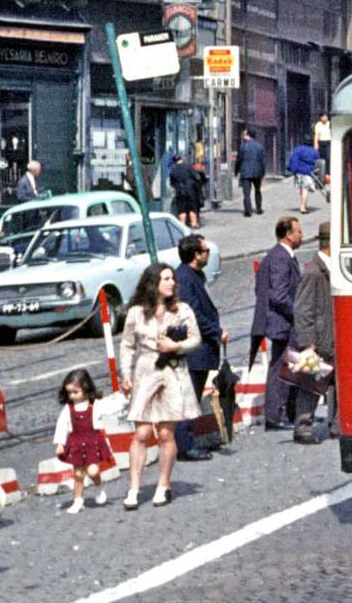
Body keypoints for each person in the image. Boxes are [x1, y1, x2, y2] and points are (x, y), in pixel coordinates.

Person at [118, 262, 202, 509]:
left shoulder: (182, 310)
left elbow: (196, 339)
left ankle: (163, 485)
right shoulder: (136, 313)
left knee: (166, 434)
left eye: (172, 278)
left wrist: (176, 346)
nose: (171, 283)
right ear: (153, 283)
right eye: (166, 279)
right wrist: (126, 375)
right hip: (145, 372)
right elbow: (127, 345)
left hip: (172, 372)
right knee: (142, 433)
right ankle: (134, 488)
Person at [173, 233, 227, 462]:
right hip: (194, 349)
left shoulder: (193, 275)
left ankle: (188, 440)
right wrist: (216, 331)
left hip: (199, 348)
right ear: (196, 255)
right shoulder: (185, 278)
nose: (208, 254)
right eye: (205, 251)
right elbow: (193, 314)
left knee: (193, 396)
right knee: (189, 397)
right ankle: (185, 445)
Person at [251, 216, 302, 431]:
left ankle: (287, 412)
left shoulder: (279, 255)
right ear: (288, 235)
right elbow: (279, 295)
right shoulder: (281, 258)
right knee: (280, 368)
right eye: (298, 231)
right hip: (283, 323)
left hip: (282, 322)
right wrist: (298, 312)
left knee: (286, 366)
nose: (301, 235)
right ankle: (275, 415)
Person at [292, 222, 337, 445]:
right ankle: (303, 427)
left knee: (336, 384)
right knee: (310, 386)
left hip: (330, 339)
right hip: (319, 341)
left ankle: (337, 425)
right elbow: (302, 309)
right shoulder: (313, 272)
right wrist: (307, 342)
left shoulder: (328, 268)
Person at [52, 369, 113, 513]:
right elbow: (61, 425)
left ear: (86, 389)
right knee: (78, 475)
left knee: (93, 471)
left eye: (75, 392)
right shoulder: (68, 408)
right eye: (69, 392)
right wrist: (60, 443)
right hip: (76, 444)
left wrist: (125, 397)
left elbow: (111, 406)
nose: (72, 396)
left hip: (92, 443)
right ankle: (78, 501)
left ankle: (99, 487)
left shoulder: (95, 405)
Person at [235, 128, 266, 218]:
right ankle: (259, 209)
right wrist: (263, 172)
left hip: (245, 172)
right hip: (257, 172)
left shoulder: (242, 147)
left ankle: (248, 211)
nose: (243, 136)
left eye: (244, 134)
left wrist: (236, 171)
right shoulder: (260, 146)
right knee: (257, 190)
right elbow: (263, 161)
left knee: (246, 193)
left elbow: (239, 160)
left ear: (248, 135)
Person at [288, 140, 321, 215]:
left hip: (299, 171)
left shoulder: (297, 149)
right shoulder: (314, 151)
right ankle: (303, 207)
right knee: (305, 189)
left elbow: (293, 160)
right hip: (308, 172)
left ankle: (303, 204)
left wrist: (293, 170)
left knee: (301, 189)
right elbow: (317, 161)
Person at [168, 154, 200, 230]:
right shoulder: (188, 166)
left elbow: (172, 183)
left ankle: (182, 225)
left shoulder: (173, 170)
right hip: (190, 190)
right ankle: (194, 224)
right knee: (192, 208)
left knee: (181, 209)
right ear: (181, 159)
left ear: (174, 161)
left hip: (180, 191)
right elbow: (197, 177)